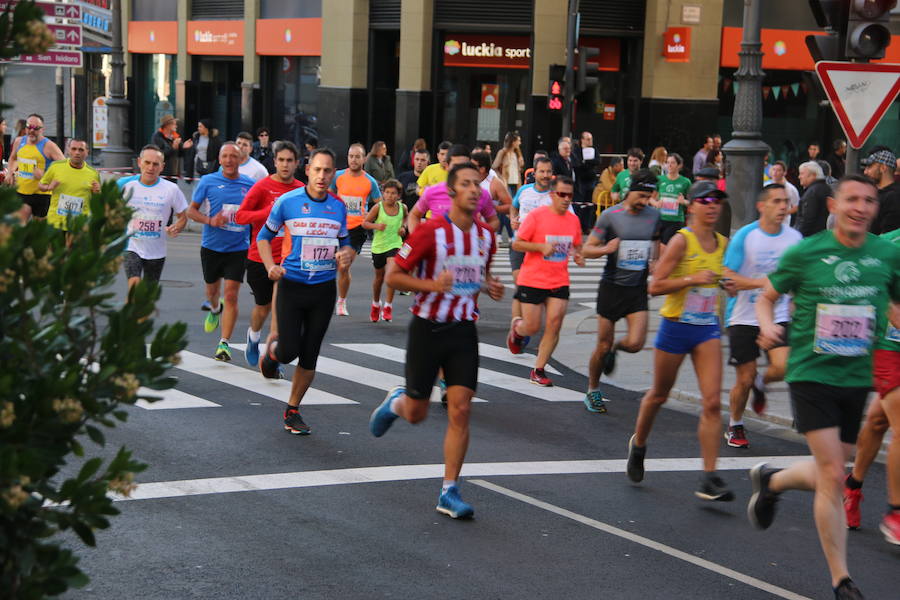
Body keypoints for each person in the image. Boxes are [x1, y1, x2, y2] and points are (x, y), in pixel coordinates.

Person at [748, 174, 900, 600]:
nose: (861, 207)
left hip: (855, 377)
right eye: (852, 199)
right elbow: (766, 296)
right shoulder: (807, 251)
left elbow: (896, 308)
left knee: (831, 470)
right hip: (811, 372)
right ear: (833, 206)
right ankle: (841, 580)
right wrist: (766, 327)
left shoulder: (886, 255)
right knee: (834, 473)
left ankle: (773, 481)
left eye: (869, 200)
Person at [368, 161, 505, 519]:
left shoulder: (487, 237)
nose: (475, 189)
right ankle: (398, 402)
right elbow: (395, 276)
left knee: (461, 409)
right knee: (417, 413)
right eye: (467, 184)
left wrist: (489, 285)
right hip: (427, 328)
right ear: (452, 191)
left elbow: (480, 274)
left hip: (462, 330)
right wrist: (432, 285)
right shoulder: (429, 232)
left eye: (478, 183)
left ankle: (449, 491)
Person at [626, 180, 736, 502]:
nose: (713, 205)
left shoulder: (722, 242)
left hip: (705, 328)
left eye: (717, 200)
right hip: (676, 326)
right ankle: (639, 444)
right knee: (659, 394)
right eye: (706, 200)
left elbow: (722, 277)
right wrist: (691, 279)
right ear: (692, 206)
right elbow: (654, 286)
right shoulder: (680, 242)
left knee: (713, 401)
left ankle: (709, 476)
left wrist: (727, 284)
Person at [257, 148, 355, 435]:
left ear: (333, 173)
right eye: (317, 170)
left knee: (310, 353)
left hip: (323, 290)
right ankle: (273, 355)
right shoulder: (288, 202)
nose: (322, 176)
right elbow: (264, 236)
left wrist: (347, 253)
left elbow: (345, 241)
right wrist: (269, 266)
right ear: (308, 170)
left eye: (328, 171)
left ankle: (292, 410)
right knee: (289, 351)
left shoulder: (338, 207)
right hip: (292, 286)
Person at [721, 184, 801, 448]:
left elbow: (801, 277)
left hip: (778, 313)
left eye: (786, 202)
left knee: (784, 366)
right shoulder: (746, 236)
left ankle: (761, 381)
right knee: (743, 379)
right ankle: (735, 425)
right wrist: (764, 284)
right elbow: (727, 275)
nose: (783, 207)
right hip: (744, 316)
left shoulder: (794, 238)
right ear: (761, 206)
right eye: (777, 201)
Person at [582, 169, 661, 412]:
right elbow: (587, 250)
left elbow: (655, 244)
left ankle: (617, 349)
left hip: (636, 288)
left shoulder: (654, 216)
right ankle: (593, 390)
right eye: (641, 195)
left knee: (637, 342)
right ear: (630, 191)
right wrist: (607, 249)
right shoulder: (610, 216)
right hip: (611, 287)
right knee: (602, 345)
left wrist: (654, 262)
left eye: (649, 197)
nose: (645, 201)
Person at [842, 226, 900, 542]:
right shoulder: (889, 243)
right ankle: (895, 512)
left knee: (878, 422)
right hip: (889, 348)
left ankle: (852, 487)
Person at [507, 175, 584, 385]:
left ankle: (538, 370)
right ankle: (517, 330)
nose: (566, 199)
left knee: (554, 324)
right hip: (532, 279)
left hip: (559, 280)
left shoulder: (573, 220)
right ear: (552, 195)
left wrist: (578, 254)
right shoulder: (536, 217)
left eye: (570, 195)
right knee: (532, 327)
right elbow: (517, 244)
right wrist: (540, 247)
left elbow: (577, 244)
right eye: (562, 194)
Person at [234, 140, 304, 368]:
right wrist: (268, 212)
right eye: (281, 160)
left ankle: (275, 356)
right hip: (259, 258)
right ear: (274, 162)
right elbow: (241, 216)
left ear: (296, 163)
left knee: (281, 310)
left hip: (289, 260)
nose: (285, 165)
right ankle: (253, 337)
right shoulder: (262, 187)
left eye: (289, 161)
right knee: (263, 308)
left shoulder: (301, 190)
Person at [186, 143, 256, 361]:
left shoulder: (249, 184)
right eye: (225, 156)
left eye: (233, 156)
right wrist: (210, 220)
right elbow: (191, 211)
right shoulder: (208, 181)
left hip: (238, 248)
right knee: (212, 293)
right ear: (219, 158)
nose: (228, 160)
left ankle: (224, 343)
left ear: (240, 159)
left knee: (232, 294)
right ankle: (215, 309)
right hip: (212, 246)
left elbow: (257, 215)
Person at [118, 145, 188, 289]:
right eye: (147, 163)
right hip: (132, 246)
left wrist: (176, 227)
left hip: (156, 251)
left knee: (147, 298)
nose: (151, 167)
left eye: (155, 164)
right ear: (139, 162)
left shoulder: (171, 189)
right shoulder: (127, 186)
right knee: (134, 288)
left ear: (162, 167)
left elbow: (183, 217)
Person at [330, 143, 382, 316]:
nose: (354, 160)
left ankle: (341, 301)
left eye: (357, 156)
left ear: (364, 159)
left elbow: (380, 205)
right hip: (335, 226)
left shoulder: (370, 181)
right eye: (351, 156)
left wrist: (372, 217)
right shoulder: (337, 177)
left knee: (344, 266)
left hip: (356, 229)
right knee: (331, 265)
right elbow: (327, 196)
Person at [407, 144, 499, 234]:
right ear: (447, 166)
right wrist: (419, 239)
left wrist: (479, 238)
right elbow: (414, 215)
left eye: (464, 165)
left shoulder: (481, 193)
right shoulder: (432, 191)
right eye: (455, 166)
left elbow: (493, 221)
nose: (460, 170)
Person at [509, 156, 555, 323]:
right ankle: (517, 324)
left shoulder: (556, 195)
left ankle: (529, 319)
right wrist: (513, 219)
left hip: (541, 248)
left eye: (548, 171)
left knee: (535, 289)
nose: (545, 175)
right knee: (519, 281)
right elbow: (514, 207)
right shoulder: (524, 190)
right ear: (534, 173)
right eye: (541, 171)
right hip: (520, 243)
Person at [362, 178, 407, 322]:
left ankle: (388, 306)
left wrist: (403, 227)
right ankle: (376, 304)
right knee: (379, 278)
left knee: (391, 273)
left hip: (395, 244)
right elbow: (365, 223)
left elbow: (406, 218)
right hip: (378, 246)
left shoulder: (402, 208)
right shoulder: (378, 207)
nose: (390, 196)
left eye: (393, 193)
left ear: (398, 195)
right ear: (383, 193)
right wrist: (376, 226)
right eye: (387, 192)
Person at [5, 113, 64, 222]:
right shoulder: (19, 141)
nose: (31, 130)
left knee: (39, 233)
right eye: (29, 127)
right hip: (21, 191)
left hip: (41, 195)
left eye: (36, 128)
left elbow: (64, 167)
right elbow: (13, 158)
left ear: (42, 129)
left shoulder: (49, 146)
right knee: (18, 227)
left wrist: (46, 175)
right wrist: (10, 172)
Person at [38, 138, 100, 231]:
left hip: (79, 224)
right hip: (56, 222)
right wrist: (48, 187)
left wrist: (97, 192)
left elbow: (97, 199)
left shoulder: (93, 173)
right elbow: (41, 185)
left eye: (81, 150)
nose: (77, 152)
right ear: (68, 150)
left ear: (87, 152)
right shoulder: (56, 166)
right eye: (74, 149)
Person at [472, 150, 512, 242]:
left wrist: (492, 208)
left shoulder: (495, 183)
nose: (469, 168)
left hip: (485, 235)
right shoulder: (467, 179)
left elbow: (510, 206)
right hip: (466, 231)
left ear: (482, 169)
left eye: (473, 166)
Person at [654, 153, 691, 247]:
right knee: (658, 245)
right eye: (667, 162)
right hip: (660, 218)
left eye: (673, 163)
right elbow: (650, 198)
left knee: (665, 245)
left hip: (676, 220)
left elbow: (693, 202)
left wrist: (684, 202)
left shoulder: (685, 182)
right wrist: (656, 203)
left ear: (679, 165)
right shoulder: (659, 179)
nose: (669, 165)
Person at [862, 147, 900, 235]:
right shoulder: (876, 194)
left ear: (883, 168)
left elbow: (888, 235)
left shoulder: (894, 197)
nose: (865, 172)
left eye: (870, 166)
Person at [151, 115, 191, 180]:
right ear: (167, 125)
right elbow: (158, 155)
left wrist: (184, 147)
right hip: (162, 173)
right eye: (174, 124)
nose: (176, 126)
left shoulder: (175, 137)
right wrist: (173, 148)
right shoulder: (157, 137)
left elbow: (180, 154)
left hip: (174, 172)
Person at [797, 161, 831, 237]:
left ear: (813, 175)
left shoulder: (812, 192)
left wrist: (797, 237)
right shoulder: (825, 188)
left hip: (811, 239)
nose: (799, 177)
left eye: (802, 174)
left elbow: (807, 220)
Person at [767, 161, 801, 226]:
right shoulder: (766, 186)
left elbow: (797, 206)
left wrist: (785, 212)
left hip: (784, 223)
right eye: (773, 169)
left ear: (784, 173)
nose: (775, 173)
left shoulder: (791, 188)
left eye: (778, 170)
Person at [493, 131, 524, 196]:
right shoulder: (503, 152)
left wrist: (521, 164)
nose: (520, 143)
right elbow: (494, 167)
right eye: (518, 141)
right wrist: (501, 178)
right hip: (506, 183)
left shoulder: (517, 154)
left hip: (516, 183)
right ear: (513, 142)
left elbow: (520, 170)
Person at [397, 148, 428, 212]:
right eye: (417, 159)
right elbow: (397, 199)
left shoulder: (432, 179)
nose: (419, 162)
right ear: (413, 160)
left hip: (426, 216)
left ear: (427, 162)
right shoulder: (403, 177)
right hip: (407, 215)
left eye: (423, 160)